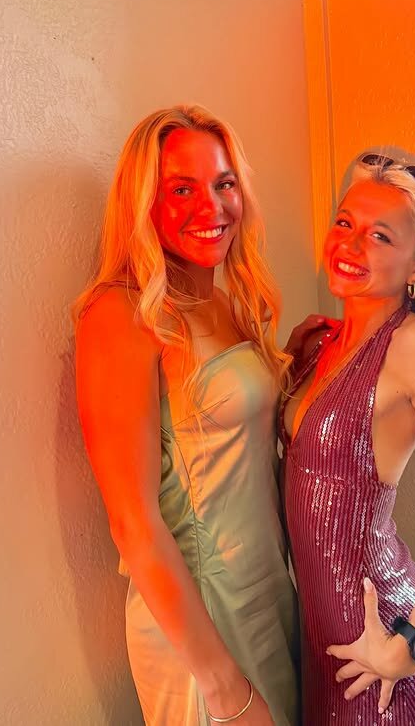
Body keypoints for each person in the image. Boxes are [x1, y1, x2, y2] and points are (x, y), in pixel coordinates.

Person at [74, 105, 303, 725]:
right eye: (181, 189)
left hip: (267, 596)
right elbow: (133, 523)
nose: (212, 206)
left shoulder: (224, 303)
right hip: (199, 624)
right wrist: (225, 689)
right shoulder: (121, 316)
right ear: (142, 203)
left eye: (224, 183)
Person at [280, 147, 415, 724]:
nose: (350, 245)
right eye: (344, 223)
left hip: (385, 655)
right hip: (324, 647)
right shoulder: (319, 343)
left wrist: (410, 647)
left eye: (380, 237)